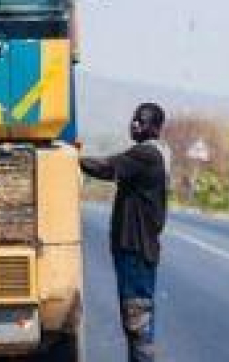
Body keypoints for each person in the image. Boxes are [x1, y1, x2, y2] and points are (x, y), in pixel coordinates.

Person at [80, 103, 170, 362]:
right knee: (135, 319)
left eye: (141, 121)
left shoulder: (146, 155)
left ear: (155, 127)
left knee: (137, 319)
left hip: (136, 249)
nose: (134, 124)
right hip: (135, 250)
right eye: (134, 119)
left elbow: (106, 167)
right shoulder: (149, 155)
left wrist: (72, 158)